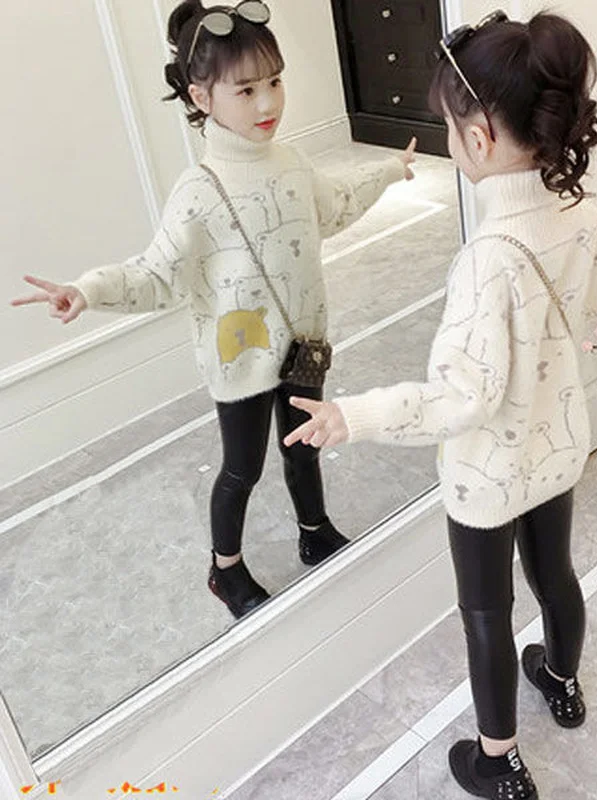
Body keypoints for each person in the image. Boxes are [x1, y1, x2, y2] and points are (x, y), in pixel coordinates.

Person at [283, 10, 597, 799]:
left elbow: (458, 400)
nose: (449, 139)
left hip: (486, 479)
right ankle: (561, 681)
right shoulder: (580, 216)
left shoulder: (486, 259)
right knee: (555, 574)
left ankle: (496, 760)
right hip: (556, 449)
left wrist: (352, 416)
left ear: (480, 137)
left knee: (487, 612)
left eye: (449, 126)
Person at [10, 0, 417, 621]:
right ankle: (224, 569)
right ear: (201, 97)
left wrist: (390, 169)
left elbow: (333, 207)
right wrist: (88, 290)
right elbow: (156, 274)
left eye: (275, 81)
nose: (268, 102)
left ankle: (314, 530)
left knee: (304, 446)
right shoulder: (197, 192)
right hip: (240, 359)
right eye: (246, 89)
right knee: (242, 469)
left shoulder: (292, 163)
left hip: (303, 345)